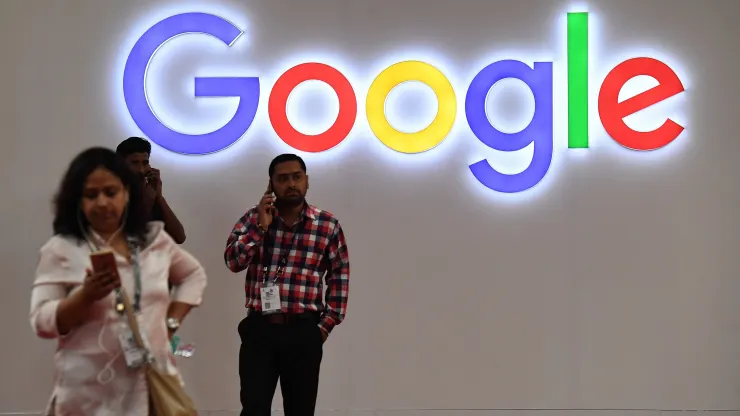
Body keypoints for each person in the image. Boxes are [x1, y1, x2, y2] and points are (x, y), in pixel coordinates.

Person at [29, 147, 207, 415]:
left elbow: (194, 275)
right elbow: (42, 321)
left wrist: (169, 324)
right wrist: (85, 296)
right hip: (87, 397)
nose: (102, 202)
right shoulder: (61, 248)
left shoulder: (152, 240)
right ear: (77, 201)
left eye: (111, 193)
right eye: (91, 195)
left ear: (126, 194)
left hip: (150, 387)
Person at [224, 153, 350, 416]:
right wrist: (260, 227)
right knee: (254, 409)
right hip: (260, 330)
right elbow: (233, 262)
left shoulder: (327, 225)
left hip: (304, 331)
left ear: (307, 181)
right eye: (282, 179)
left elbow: (339, 275)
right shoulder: (252, 219)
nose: (291, 183)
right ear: (271, 184)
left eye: (297, 177)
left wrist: (324, 327)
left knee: (300, 411)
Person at [116, 137, 186, 244]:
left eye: (145, 163)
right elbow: (130, 239)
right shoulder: (114, 197)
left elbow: (179, 237)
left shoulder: (150, 192)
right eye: (135, 163)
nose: (141, 169)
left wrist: (159, 197)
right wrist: (147, 203)